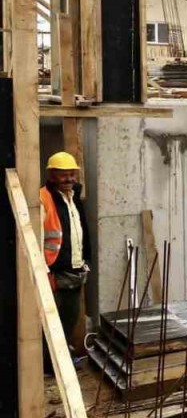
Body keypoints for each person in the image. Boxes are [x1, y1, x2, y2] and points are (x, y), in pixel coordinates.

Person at [41, 151, 91, 366]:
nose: (69, 178)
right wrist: (45, 269)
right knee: (55, 322)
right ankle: (53, 364)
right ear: (52, 175)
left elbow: (78, 231)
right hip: (54, 271)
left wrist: (85, 260)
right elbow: (39, 236)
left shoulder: (72, 196)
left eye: (72, 174)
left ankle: (61, 360)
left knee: (69, 320)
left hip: (74, 270)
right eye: (63, 175)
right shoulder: (43, 198)